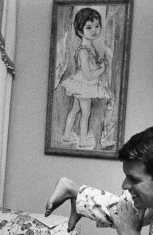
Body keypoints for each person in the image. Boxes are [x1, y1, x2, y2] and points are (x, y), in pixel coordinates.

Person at [60, 7, 112, 150]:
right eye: (89, 27)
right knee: (85, 112)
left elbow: (90, 67)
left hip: (82, 83)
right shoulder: (83, 51)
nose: (94, 30)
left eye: (97, 26)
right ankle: (82, 141)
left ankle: (66, 136)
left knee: (76, 109)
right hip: (84, 84)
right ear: (80, 31)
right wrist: (102, 69)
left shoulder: (91, 47)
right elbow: (88, 76)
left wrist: (98, 64)